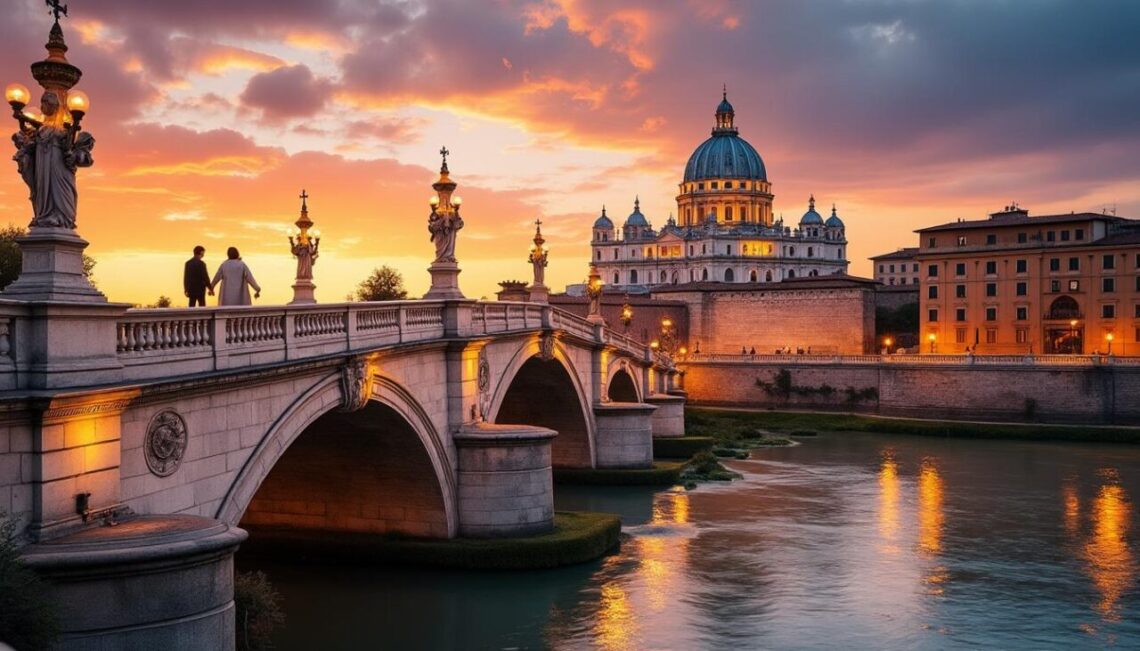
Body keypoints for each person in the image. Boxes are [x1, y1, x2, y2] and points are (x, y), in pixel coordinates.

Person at [12, 91, 96, 229]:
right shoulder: (40, 129)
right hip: (43, 165)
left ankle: (62, 218)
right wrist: (21, 119)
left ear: (54, 106)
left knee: (61, 192)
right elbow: (28, 143)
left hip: (59, 168)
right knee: (42, 189)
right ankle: (44, 216)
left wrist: (73, 154)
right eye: (41, 103)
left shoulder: (64, 130)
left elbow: (81, 156)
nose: (42, 107)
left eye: (45, 103)